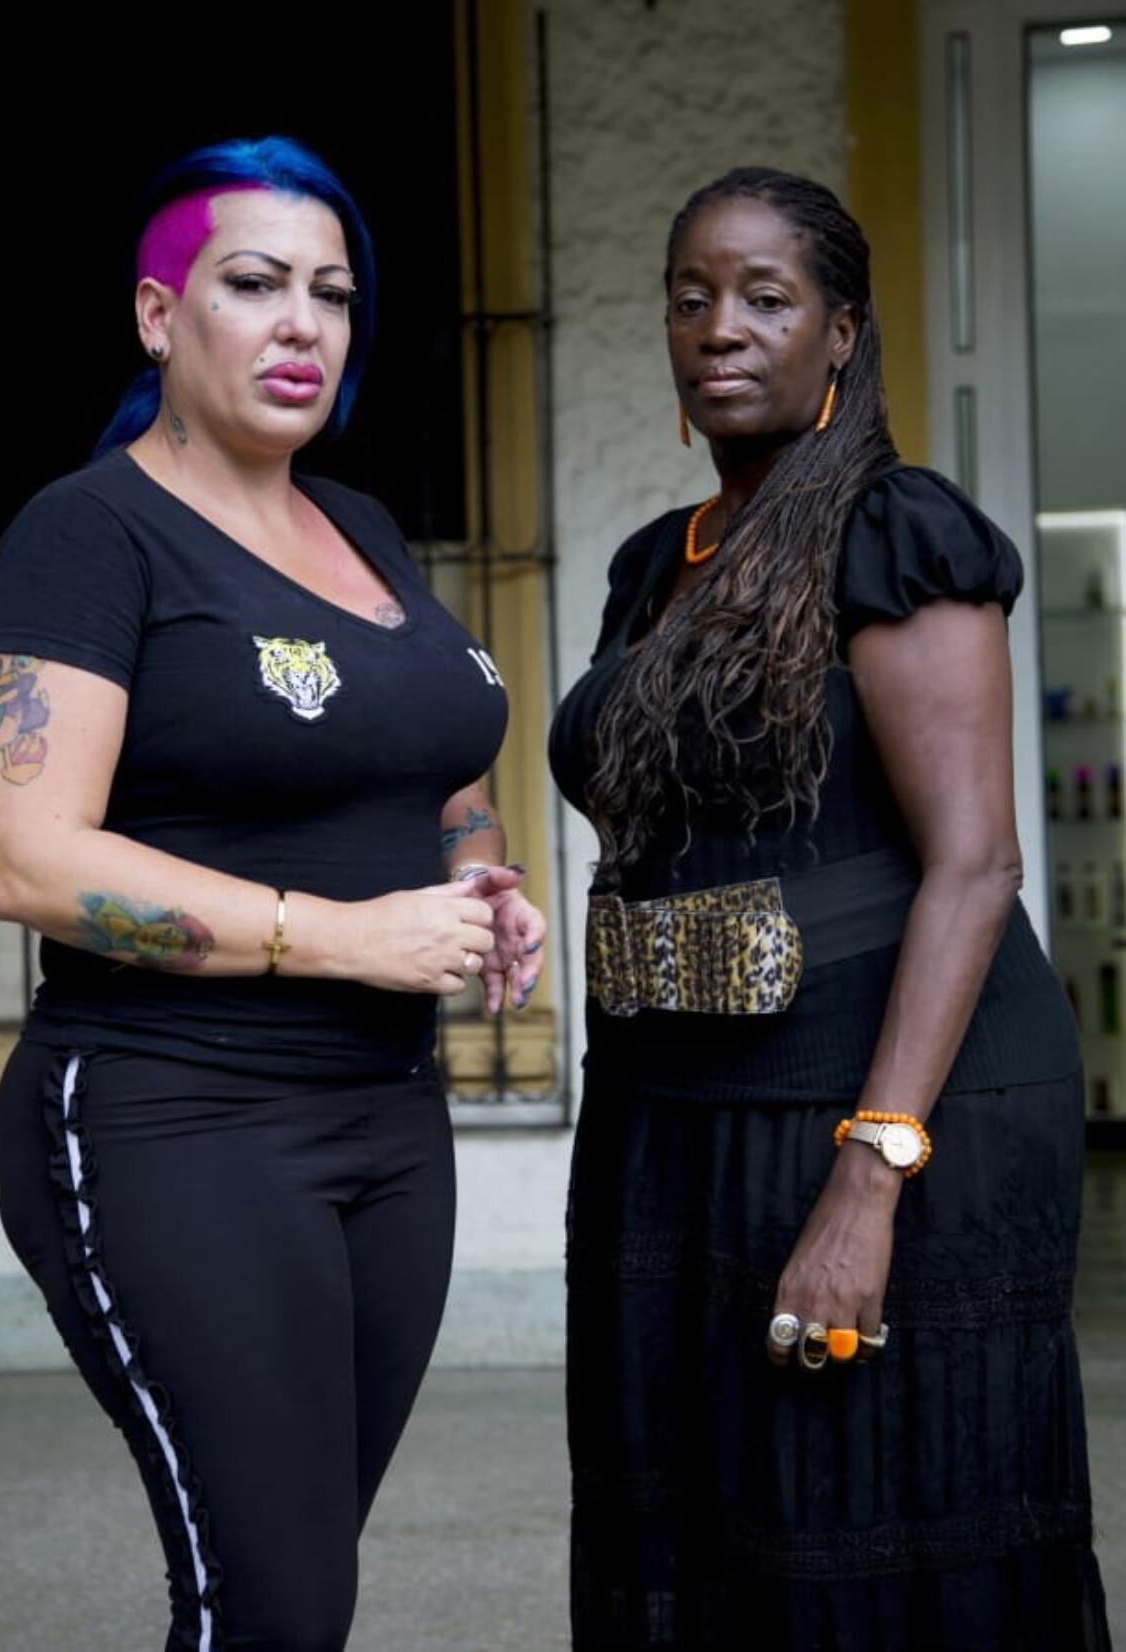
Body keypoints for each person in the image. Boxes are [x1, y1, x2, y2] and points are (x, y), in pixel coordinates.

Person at [0, 135, 545, 1652]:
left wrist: (478, 881)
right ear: (161, 316)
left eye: (333, 293)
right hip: (175, 1120)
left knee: (290, 1593)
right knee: (272, 1604)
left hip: (387, 1131)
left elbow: (430, 768)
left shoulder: (356, 529)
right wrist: (346, 936)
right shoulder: (87, 534)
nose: (303, 324)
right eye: (254, 283)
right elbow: (24, 857)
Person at [549, 167, 1110, 1652]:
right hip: (669, 1118)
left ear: (840, 334)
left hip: (879, 1110)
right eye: (688, 295)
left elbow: (973, 862)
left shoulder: (892, 531)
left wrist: (869, 1180)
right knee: (699, 1507)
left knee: (862, 1512)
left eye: (763, 297)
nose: (716, 326)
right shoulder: (645, 570)